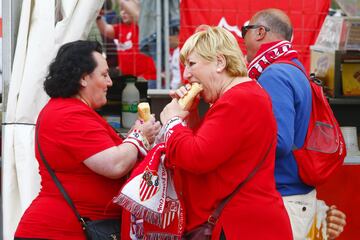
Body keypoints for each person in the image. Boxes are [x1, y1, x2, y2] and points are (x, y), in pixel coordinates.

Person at [14, 40, 161, 239]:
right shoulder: (67, 114)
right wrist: (139, 136)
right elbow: (114, 164)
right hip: (58, 231)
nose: (110, 82)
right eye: (104, 75)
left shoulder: (73, 111)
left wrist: (142, 138)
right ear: (84, 78)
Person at [159, 26, 293, 239]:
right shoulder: (239, 96)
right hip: (242, 224)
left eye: (192, 64)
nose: (186, 75)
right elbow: (212, 149)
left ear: (220, 62)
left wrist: (172, 122)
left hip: (241, 227)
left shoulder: (239, 99)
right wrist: (190, 113)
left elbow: (196, 157)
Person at [242, 8, 346, 239]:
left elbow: (279, 141)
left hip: (284, 199)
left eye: (244, 31)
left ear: (259, 32)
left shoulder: (274, 74)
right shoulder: (294, 68)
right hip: (295, 197)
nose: (243, 39)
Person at [96, 1, 157, 87]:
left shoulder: (140, 26)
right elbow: (106, 29)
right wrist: (98, 17)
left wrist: (122, 1)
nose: (123, 13)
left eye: (126, 10)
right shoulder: (121, 27)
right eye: (121, 10)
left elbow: (137, 15)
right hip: (128, 79)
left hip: (146, 79)